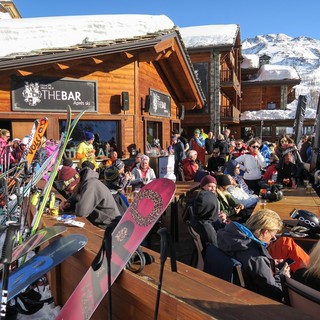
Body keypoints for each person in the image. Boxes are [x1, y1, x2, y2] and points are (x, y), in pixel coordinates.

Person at [217, 209, 290, 302]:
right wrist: (282, 277)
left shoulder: (227, 235)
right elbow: (274, 294)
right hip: (252, 300)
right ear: (265, 232)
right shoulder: (257, 258)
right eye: (273, 237)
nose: (272, 240)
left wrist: (268, 264)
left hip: (227, 289)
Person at [190, 175, 227, 249]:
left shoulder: (204, 201)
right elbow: (216, 247)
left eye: (214, 186)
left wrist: (222, 216)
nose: (213, 189)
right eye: (210, 186)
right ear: (203, 186)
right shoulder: (205, 200)